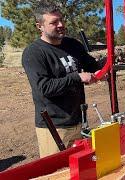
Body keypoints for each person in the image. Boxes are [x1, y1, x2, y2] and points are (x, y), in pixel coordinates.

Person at [22, 2, 101, 158]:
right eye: (53, 22)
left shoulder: (73, 45)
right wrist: (77, 77)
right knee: (57, 172)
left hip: (79, 121)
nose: (61, 25)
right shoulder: (34, 53)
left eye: (61, 20)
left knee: (81, 168)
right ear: (40, 26)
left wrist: (100, 70)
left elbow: (91, 64)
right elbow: (44, 88)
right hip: (54, 127)